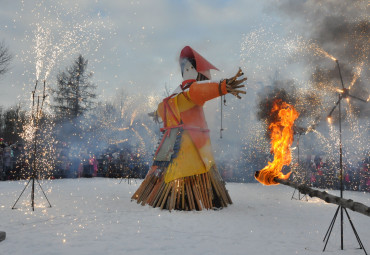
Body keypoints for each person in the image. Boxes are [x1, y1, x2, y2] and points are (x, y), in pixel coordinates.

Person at [131, 46, 247, 210]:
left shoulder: (192, 91)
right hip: (173, 143)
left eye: (191, 68)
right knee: (172, 169)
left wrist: (223, 86)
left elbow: (203, 91)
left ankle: (189, 199)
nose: (187, 71)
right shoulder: (175, 94)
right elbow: (164, 107)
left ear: (198, 72)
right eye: (185, 68)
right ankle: (169, 197)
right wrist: (157, 112)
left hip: (192, 143)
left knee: (189, 168)